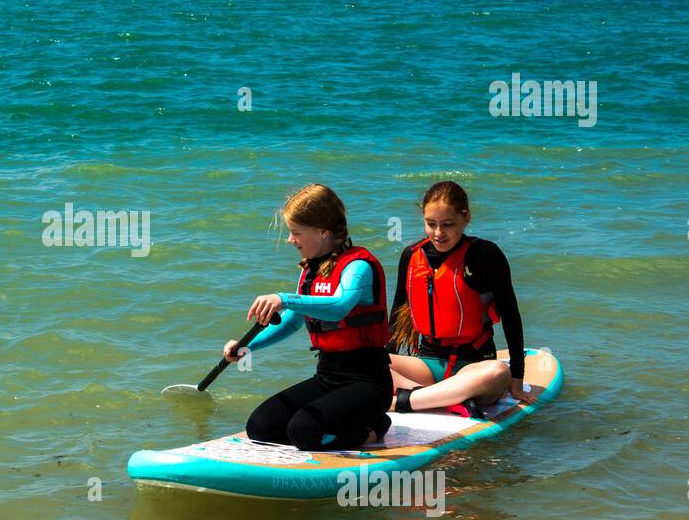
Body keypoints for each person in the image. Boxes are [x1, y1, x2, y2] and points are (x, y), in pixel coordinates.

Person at [224, 184, 394, 451]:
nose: (291, 240)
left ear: (323, 231)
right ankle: (337, 428)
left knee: (302, 431)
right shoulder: (310, 272)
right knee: (260, 426)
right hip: (328, 378)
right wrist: (246, 346)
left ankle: (372, 429)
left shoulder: (358, 267)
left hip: (368, 383)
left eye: (296, 232)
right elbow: (293, 321)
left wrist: (284, 298)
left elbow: (339, 306)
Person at [386, 180, 535, 418]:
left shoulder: (486, 255)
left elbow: (510, 315)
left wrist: (516, 377)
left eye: (447, 225)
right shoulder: (411, 256)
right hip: (427, 364)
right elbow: (396, 313)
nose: (438, 233)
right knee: (363, 360)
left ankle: (407, 400)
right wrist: (382, 365)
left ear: (465, 219)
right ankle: (440, 399)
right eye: (430, 224)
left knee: (498, 373)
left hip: (473, 368)